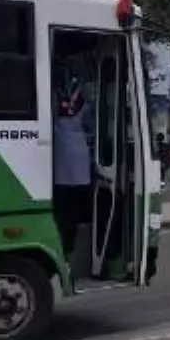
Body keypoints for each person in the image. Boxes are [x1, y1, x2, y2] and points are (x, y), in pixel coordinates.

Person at [52, 79, 93, 256]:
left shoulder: (53, 99)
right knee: (75, 212)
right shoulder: (82, 101)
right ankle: (69, 247)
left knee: (61, 211)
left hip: (61, 168)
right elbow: (90, 120)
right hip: (80, 167)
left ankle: (61, 244)